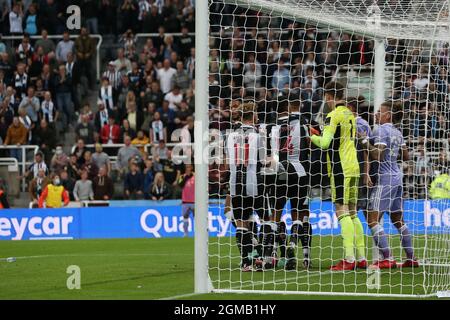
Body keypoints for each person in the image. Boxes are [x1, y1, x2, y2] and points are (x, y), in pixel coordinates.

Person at [310, 82, 366, 271]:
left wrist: (312, 136)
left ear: (328, 96)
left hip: (340, 168)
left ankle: (349, 259)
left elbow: (325, 143)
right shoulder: (350, 114)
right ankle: (362, 257)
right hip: (354, 166)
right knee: (352, 211)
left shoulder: (332, 115)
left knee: (341, 211)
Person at [359, 101, 418, 268]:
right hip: (398, 176)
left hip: (385, 178)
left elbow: (377, 154)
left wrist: (364, 141)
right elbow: (406, 157)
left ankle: (387, 258)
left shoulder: (381, 130)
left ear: (389, 115)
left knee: (372, 219)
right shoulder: (397, 132)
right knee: (397, 219)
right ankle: (411, 258)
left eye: (380, 111)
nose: (376, 114)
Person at [267, 97, 312, 270]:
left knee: (276, 213)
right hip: (299, 171)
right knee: (299, 212)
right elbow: (309, 144)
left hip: (278, 172)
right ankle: (295, 244)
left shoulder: (272, 126)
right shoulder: (302, 122)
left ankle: (273, 254)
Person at [226, 102, 263, 271]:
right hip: (252, 182)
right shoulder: (257, 135)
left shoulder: (231, 135)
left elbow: (228, 160)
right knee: (253, 218)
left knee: (240, 221)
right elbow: (262, 161)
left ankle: (246, 262)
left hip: (235, 182)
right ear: (253, 116)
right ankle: (260, 256)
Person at [178, 164, 195, 237]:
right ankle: (185, 233)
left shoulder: (196, 176)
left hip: (195, 201)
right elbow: (180, 185)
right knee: (185, 217)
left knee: (197, 218)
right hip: (185, 201)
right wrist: (186, 177)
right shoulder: (182, 176)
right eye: (187, 167)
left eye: (189, 167)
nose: (188, 168)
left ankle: (198, 233)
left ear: (192, 168)